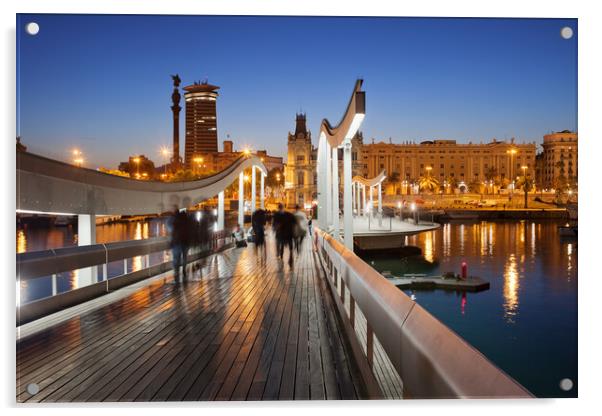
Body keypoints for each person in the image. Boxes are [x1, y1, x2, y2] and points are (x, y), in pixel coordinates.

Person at [168, 205, 191, 283]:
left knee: (176, 260)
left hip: (177, 242)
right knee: (184, 257)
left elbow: (171, 230)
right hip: (186, 242)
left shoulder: (173, 218)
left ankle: (176, 275)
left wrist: (171, 242)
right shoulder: (186, 218)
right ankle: (184, 270)